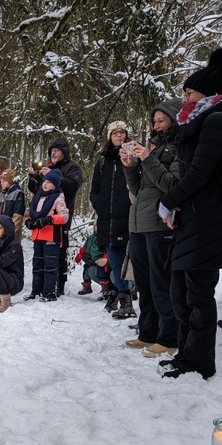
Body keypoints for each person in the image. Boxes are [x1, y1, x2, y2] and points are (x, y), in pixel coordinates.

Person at [157, 47, 222, 379]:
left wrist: (168, 199)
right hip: (193, 216)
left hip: (209, 219)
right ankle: (186, 352)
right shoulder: (201, 121)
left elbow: (200, 174)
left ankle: (199, 361)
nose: (185, 99)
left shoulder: (217, 121)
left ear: (206, 92)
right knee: (181, 290)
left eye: (189, 92)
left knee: (198, 292)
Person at [122, 98, 181, 357]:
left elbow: (172, 186)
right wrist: (129, 168)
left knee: (161, 283)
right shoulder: (154, 149)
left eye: (162, 120)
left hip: (160, 224)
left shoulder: (179, 147)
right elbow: (140, 190)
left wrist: (147, 158)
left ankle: (169, 337)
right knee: (143, 283)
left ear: (174, 120)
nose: (156, 125)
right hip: (139, 223)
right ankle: (148, 332)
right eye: (154, 121)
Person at [28, 136, 83, 295]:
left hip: (59, 220)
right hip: (41, 220)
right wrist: (34, 178)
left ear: (64, 152)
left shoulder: (73, 168)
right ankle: (41, 286)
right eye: (52, 150)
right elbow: (37, 191)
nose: (54, 153)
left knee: (58, 254)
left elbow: (72, 186)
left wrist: (53, 175)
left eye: (57, 150)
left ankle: (59, 286)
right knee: (40, 256)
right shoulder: (47, 168)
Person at [91, 121, 134, 318]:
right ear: (109, 136)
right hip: (106, 219)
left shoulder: (133, 157)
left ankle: (125, 297)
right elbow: (95, 190)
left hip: (127, 217)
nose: (119, 136)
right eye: (115, 133)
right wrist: (99, 205)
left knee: (121, 260)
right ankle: (118, 293)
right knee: (114, 259)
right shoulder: (102, 162)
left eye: (122, 132)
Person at [24, 168, 70, 301]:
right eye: (45, 181)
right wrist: (28, 222)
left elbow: (64, 217)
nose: (45, 184)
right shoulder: (38, 196)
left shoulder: (58, 197)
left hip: (51, 236)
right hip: (37, 235)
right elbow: (32, 214)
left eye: (49, 182)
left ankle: (49, 293)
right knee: (37, 264)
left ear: (55, 185)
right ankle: (36, 291)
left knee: (50, 265)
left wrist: (49, 220)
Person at [74, 226, 111, 296]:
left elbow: (105, 250)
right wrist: (82, 253)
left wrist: (105, 258)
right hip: (89, 258)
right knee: (86, 270)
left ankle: (105, 288)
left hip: (99, 259)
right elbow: (86, 246)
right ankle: (87, 285)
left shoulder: (103, 238)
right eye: (96, 226)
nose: (97, 228)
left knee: (101, 273)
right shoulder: (90, 237)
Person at [0, 168, 25, 242]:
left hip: (11, 234)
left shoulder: (18, 194)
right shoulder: (1, 195)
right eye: (1, 181)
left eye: (4, 181)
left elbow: (17, 217)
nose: (2, 183)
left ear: (10, 182)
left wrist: (9, 232)